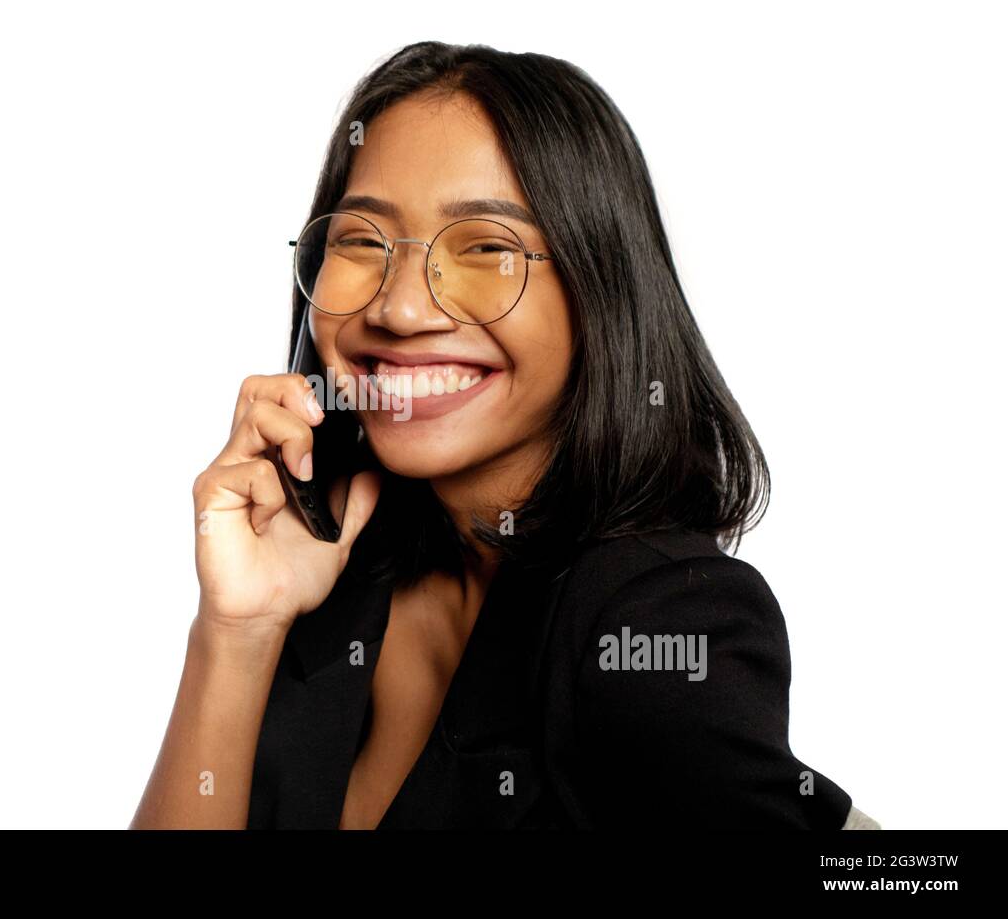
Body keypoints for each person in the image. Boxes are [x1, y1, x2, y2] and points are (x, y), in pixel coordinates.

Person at [129, 41, 872, 830]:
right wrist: (237, 629)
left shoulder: (649, 621)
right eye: (361, 241)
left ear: (600, 289)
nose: (401, 309)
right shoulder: (335, 567)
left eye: (485, 247)